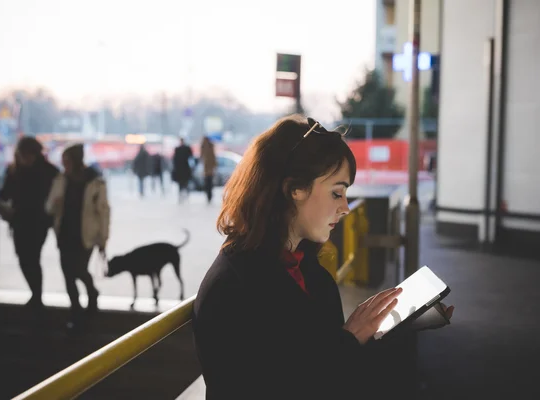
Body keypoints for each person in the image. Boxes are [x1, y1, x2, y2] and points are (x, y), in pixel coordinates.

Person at [192, 115, 453, 399]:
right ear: (295, 189)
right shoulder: (234, 286)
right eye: (336, 192)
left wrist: (398, 326)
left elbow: (322, 363)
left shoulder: (305, 270)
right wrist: (350, 339)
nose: (346, 208)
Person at [45, 144, 110, 329]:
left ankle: (91, 294)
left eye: (66, 161)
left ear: (75, 161)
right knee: (68, 274)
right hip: (64, 234)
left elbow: (103, 212)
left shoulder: (95, 182)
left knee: (79, 270)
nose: (64, 164)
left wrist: (102, 239)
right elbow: (49, 207)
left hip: (86, 236)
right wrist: (54, 204)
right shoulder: (61, 180)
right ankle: (75, 311)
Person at [0, 137, 59, 310]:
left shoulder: (48, 171)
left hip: (39, 222)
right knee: (23, 258)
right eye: (23, 155)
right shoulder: (14, 171)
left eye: (29, 155)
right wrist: (2, 209)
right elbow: (3, 195)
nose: (26, 158)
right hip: (19, 221)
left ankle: (37, 296)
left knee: (32, 257)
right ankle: (35, 293)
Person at [171, 138, 194, 203]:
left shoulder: (177, 149)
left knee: (181, 184)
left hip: (180, 170)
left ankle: (182, 195)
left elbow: (174, 160)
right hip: (185, 169)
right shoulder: (187, 148)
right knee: (185, 183)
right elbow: (191, 157)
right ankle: (185, 195)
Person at [200, 136, 217, 203]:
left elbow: (202, 157)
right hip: (208, 168)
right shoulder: (207, 146)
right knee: (209, 182)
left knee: (208, 182)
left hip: (208, 168)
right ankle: (209, 195)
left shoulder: (205, 146)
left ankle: (209, 196)